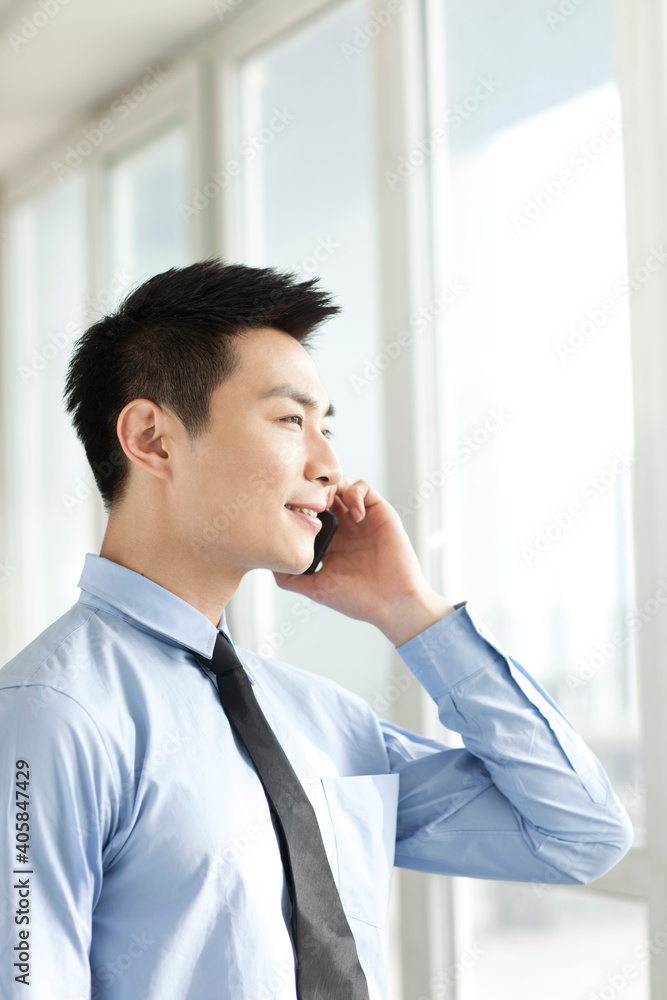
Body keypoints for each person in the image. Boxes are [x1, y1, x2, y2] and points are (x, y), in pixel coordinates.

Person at [0, 259, 632, 1000]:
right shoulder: (49, 714)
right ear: (153, 439)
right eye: (291, 420)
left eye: (326, 427)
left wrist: (411, 612)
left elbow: (577, 835)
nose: (329, 464)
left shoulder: (318, 719)